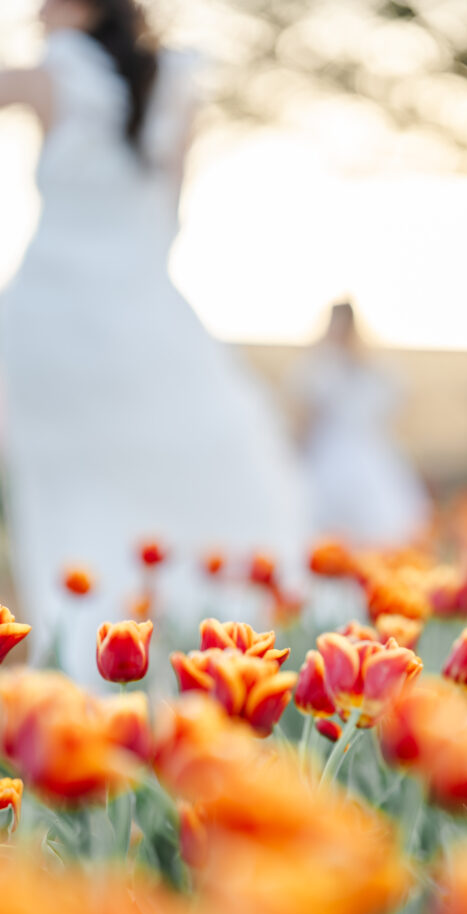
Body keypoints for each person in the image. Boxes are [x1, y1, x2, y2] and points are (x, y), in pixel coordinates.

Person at [0, 0, 308, 679]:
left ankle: (79, 660)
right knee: (170, 466)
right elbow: (170, 211)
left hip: (51, 311)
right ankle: (196, 649)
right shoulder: (175, 81)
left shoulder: (54, 71)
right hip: (143, 308)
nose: (35, 13)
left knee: (68, 487)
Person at [291, 302, 430, 547]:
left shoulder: (368, 368)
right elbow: (307, 417)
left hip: (363, 451)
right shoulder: (324, 368)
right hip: (333, 453)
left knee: (376, 521)